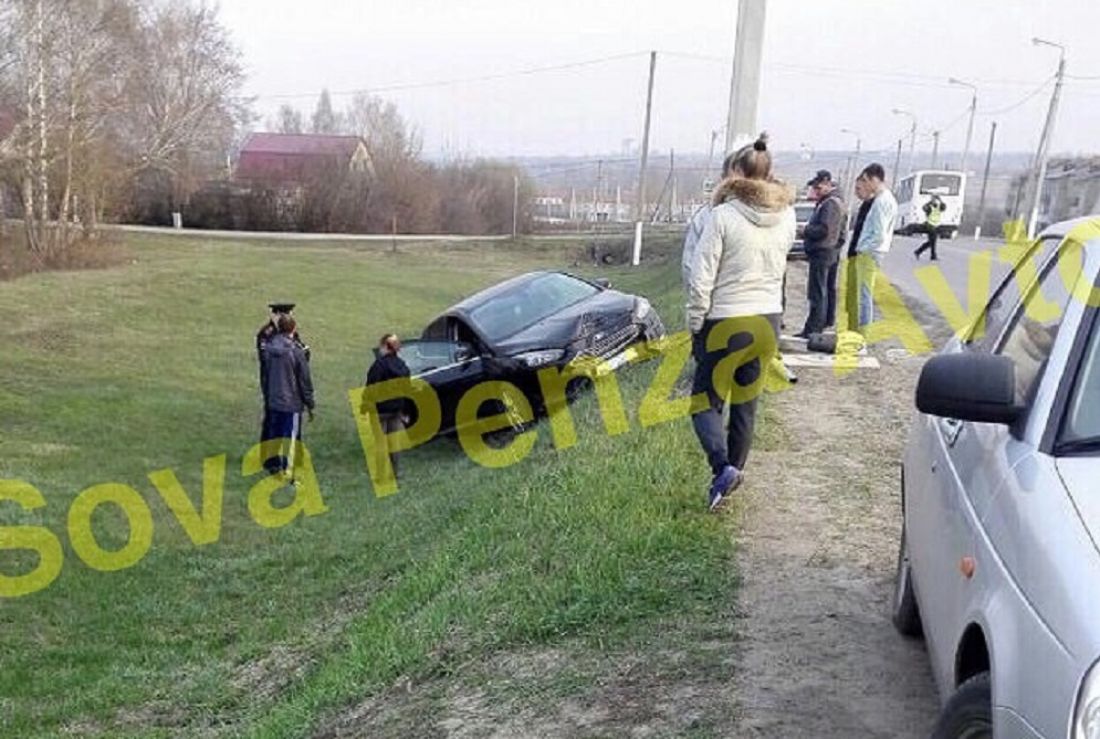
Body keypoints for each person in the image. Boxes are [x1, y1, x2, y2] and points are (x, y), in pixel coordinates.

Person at [686, 132, 795, 512]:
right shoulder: (788, 216)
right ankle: (733, 475)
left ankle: (722, 469)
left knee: (704, 403)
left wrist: (696, 323)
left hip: (726, 320)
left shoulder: (722, 216)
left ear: (735, 174)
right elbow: (780, 271)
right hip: (768, 319)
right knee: (746, 405)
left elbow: (702, 278)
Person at [259, 314, 315, 479]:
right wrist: (310, 402)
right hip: (291, 402)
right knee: (290, 439)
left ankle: (273, 465)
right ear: (294, 328)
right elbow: (304, 380)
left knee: (274, 433)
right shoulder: (296, 352)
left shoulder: (268, 348)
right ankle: (287, 472)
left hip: (274, 399)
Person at [847, 163, 898, 330]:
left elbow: (879, 234)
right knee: (861, 295)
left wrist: (864, 248)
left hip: (869, 254)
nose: (865, 185)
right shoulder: (883, 199)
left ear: (875, 179)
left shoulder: (882, 201)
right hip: (870, 252)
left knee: (864, 296)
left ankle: (862, 336)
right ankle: (857, 333)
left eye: (866, 180)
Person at [796, 170, 847, 338]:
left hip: (823, 252)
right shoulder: (835, 202)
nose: (816, 191)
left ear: (827, 183)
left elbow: (824, 230)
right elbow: (841, 234)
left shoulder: (830, 204)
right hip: (830, 251)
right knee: (826, 289)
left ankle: (814, 328)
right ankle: (823, 322)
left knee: (818, 292)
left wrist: (805, 231)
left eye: (818, 187)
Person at [682, 153, 738, 291]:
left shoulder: (773, 215)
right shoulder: (706, 216)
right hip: (721, 301)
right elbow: (691, 266)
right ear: (724, 178)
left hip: (755, 304)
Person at [363, 334, 412, 478]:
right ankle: (395, 472)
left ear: (385, 346)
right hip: (396, 410)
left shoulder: (379, 365)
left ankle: (381, 474)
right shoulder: (403, 366)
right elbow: (407, 390)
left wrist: (365, 405)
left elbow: (371, 387)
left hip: (380, 410)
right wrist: (405, 411)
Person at [913, 194, 946, 261]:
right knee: (932, 241)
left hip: (935, 226)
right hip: (929, 226)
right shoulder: (929, 207)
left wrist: (940, 200)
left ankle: (918, 252)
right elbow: (924, 208)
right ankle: (932, 256)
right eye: (934, 200)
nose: (935, 202)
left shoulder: (939, 207)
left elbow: (944, 207)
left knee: (931, 242)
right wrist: (930, 202)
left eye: (935, 200)